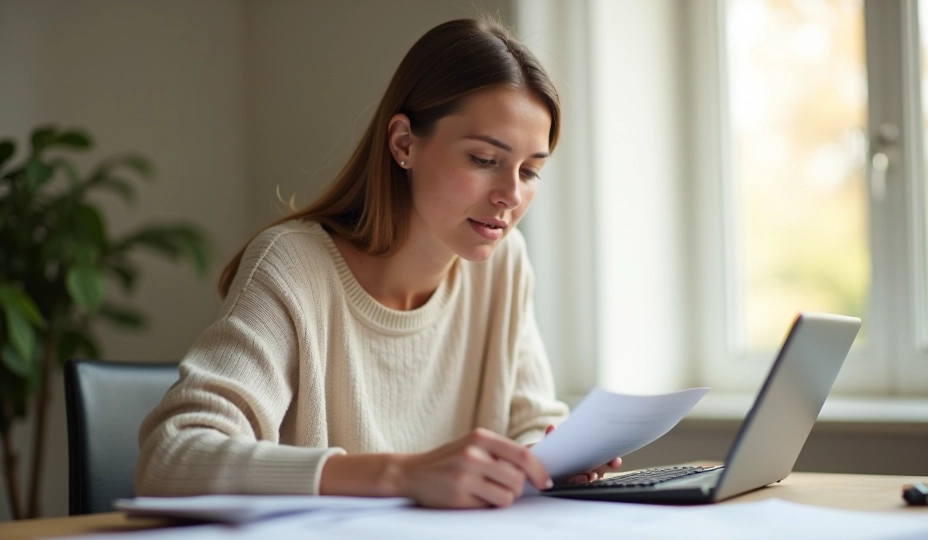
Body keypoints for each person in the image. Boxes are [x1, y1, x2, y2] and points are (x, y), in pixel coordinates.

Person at [136, 17, 621, 509]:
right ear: (404, 143)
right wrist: (401, 474)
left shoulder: (503, 264)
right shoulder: (293, 267)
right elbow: (171, 456)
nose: (511, 196)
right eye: (482, 159)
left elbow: (530, 423)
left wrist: (546, 460)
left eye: (530, 170)